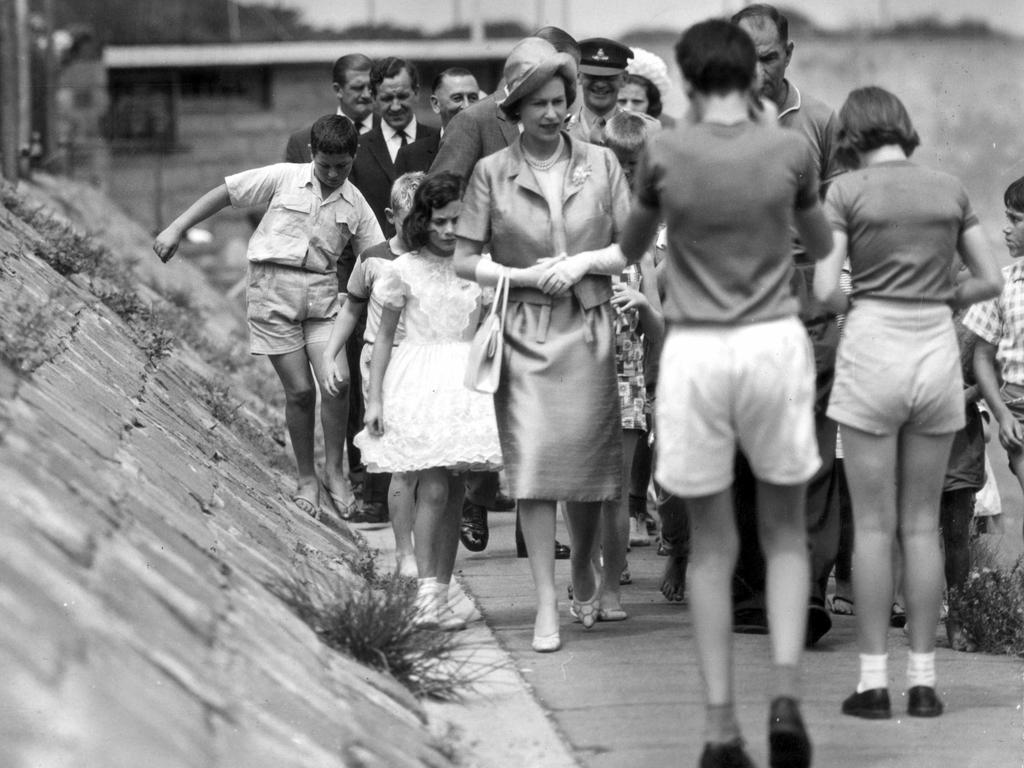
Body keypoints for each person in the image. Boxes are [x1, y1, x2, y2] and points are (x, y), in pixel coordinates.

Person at [617, 19, 834, 767]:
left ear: (685, 77)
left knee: (712, 547)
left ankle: (717, 728)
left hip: (699, 350)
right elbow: (820, 240)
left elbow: (631, 246)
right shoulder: (790, 146)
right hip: (774, 343)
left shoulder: (664, 151)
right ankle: (783, 694)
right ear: (753, 74)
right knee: (783, 532)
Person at [813, 86, 1001, 720]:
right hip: (932, 355)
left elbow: (821, 287)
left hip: (872, 350)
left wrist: (863, 303)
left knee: (872, 527)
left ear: (853, 138)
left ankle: (872, 684)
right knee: (922, 526)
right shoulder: (949, 188)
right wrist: (942, 300)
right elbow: (990, 280)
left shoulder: (845, 192)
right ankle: (924, 682)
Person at [454, 37, 630, 653]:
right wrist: (527, 276)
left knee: (585, 471)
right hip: (525, 331)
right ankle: (546, 603)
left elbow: (628, 247)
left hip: (586, 331)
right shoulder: (489, 173)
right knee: (531, 470)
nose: (553, 115)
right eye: (540, 105)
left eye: (561, 102)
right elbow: (463, 261)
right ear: (516, 110)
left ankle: (583, 564)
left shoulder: (603, 164)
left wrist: (580, 262)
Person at [153, 115, 384, 520]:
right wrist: (176, 228)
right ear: (312, 153)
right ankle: (306, 478)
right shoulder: (283, 177)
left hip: (321, 295)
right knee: (299, 392)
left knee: (338, 382)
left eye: (342, 166)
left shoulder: (356, 204)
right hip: (273, 291)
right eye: (325, 164)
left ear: (353, 158)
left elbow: (378, 256)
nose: (332, 174)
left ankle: (335, 471)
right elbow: (227, 192)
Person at [433, 30, 581, 560]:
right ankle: (475, 495)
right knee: (492, 403)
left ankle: (531, 530)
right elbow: (442, 191)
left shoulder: (565, 122)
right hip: (489, 285)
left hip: (548, 285)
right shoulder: (475, 122)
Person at [729, 2, 843, 645]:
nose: (757, 72)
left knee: (811, 459)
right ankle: (754, 591)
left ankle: (805, 591)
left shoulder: (821, 122)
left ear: (789, 56)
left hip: (806, 307)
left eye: (768, 58)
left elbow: (844, 224)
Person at [354, 172, 502, 628]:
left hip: (464, 384)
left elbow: (488, 331)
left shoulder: (479, 268)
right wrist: (375, 400)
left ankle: (440, 587)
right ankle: (425, 594)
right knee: (433, 485)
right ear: (422, 220)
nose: (447, 230)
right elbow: (381, 341)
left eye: (457, 220)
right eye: (438, 221)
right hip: (419, 379)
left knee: (456, 488)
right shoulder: (404, 270)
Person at [322, 172, 424, 562]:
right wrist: (331, 354)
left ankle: (423, 539)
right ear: (391, 216)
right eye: (412, 218)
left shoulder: (438, 259)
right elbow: (351, 307)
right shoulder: (373, 260)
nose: (421, 228)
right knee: (400, 456)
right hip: (382, 365)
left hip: (425, 360)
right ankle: (404, 549)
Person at [600, 110, 665, 604]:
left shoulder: (647, 239)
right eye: (616, 164)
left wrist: (643, 303)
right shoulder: (586, 224)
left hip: (626, 372)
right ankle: (592, 563)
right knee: (586, 485)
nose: (625, 174)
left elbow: (659, 326)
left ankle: (613, 571)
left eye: (635, 165)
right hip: (581, 367)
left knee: (621, 486)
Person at [431, 26, 581, 183]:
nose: (571, 85)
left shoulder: (564, 125)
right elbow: (437, 196)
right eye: (561, 73)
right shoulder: (473, 120)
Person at [965, 174, 1024, 542]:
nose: (1006, 229)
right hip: (1018, 413)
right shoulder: (1002, 284)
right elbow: (982, 358)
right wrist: (1001, 415)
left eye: (1015, 220)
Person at [349, 57, 439, 238]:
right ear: (373, 98)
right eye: (387, 98)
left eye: (402, 96)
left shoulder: (440, 142)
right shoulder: (357, 150)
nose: (396, 106)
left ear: (417, 92)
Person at [284, 53, 376, 164]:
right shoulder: (303, 141)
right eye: (358, 88)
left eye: (371, 87)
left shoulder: (394, 132)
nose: (366, 95)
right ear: (338, 90)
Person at [395, 68, 480, 176]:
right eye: (457, 98)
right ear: (436, 104)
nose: (467, 106)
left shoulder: (493, 151)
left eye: (473, 98)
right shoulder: (410, 156)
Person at [567, 37, 632, 145]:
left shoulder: (644, 130)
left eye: (609, 77)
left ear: (624, 79)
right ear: (578, 76)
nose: (600, 84)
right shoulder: (559, 129)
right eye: (593, 76)